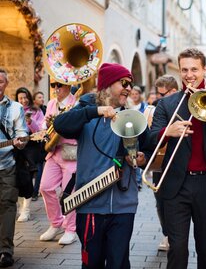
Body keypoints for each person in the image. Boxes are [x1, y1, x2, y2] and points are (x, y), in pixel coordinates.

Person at [147, 48, 206, 269]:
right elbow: (148, 140)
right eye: (184, 69)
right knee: (177, 248)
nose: (189, 75)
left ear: (204, 69)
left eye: (194, 69)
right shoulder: (167, 104)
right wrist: (167, 132)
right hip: (176, 183)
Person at [54, 62, 148, 268]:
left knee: (119, 263)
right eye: (123, 82)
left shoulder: (133, 117)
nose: (129, 88)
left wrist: (143, 159)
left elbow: (148, 149)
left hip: (124, 205)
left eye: (131, 84)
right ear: (107, 84)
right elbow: (60, 125)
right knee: (91, 263)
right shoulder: (86, 110)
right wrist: (95, 111)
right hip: (90, 204)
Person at [39, 81, 78, 245]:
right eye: (53, 85)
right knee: (45, 187)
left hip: (70, 152)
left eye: (59, 86)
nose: (55, 89)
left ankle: (71, 229)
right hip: (54, 152)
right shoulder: (51, 103)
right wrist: (47, 124)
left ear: (68, 86)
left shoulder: (77, 103)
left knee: (69, 193)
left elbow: (80, 127)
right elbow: (43, 125)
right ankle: (55, 223)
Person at [146, 74, 179, 252]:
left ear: (173, 91)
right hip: (160, 161)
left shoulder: (183, 106)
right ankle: (167, 233)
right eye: (157, 94)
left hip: (180, 162)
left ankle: (176, 235)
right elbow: (150, 137)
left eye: (161, 94)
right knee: (160, 201)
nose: (158, 98)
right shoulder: (156, 109)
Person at [0, 70, 29, 267]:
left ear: (6, 84)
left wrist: (21, 142)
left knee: (7, 206)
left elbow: (23, 135)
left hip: (7, 164)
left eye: (0, 82)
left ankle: (5, 251)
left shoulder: (16, 108)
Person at [15, 87, 45, 221]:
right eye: (20, 98)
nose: (23, 100)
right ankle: (21, 207)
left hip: (31, 147)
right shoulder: (13, 109)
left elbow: (40, 130)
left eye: (25, 97)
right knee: (16, 177)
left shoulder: (36, 111)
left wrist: (30, 121)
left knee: (27, 177)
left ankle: (26, 210)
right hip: (16, 146)